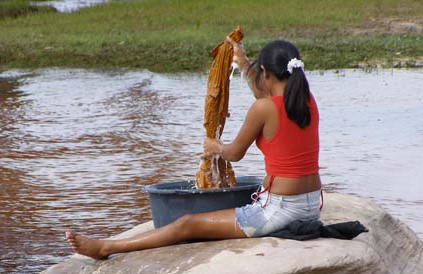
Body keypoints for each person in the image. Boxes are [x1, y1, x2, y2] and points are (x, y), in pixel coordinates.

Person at [66, 38, 322, 260]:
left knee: (187, 224)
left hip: (280, 211)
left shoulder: (264, 109)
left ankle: (105, 247)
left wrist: (215, 146)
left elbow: (234, 154)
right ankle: (106, 246)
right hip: (310, 206)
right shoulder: (307, 100)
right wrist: (242, 62)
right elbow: (265, 96)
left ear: (265, 72)